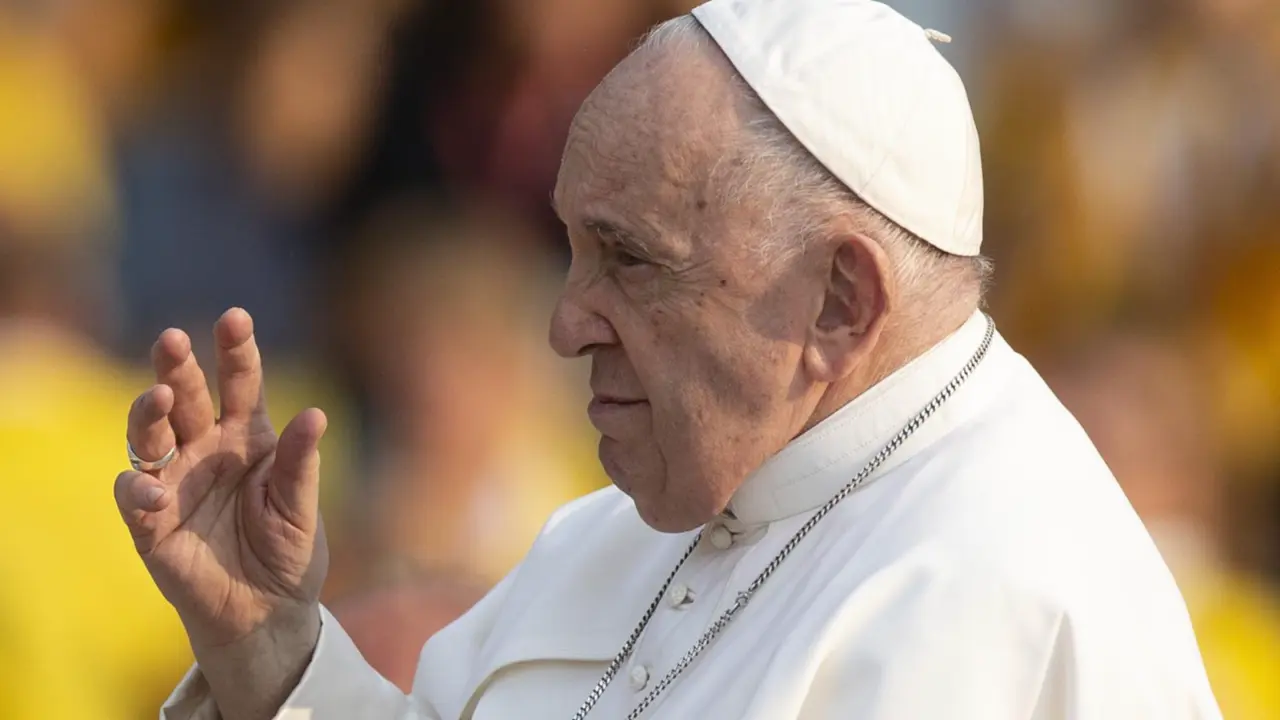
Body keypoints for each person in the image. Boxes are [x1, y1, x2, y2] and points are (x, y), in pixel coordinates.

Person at [117, 1, 1222, 718]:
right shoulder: (620, 527)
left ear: (840, 298)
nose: (564, 326)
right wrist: (271, 648)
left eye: (629, 261)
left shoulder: (1010, 601)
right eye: (569, 249)